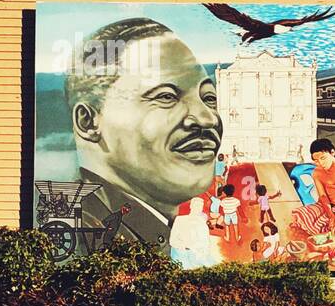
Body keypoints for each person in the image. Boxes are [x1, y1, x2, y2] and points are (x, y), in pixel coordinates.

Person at [66, 18, 223, 248]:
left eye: (208, 98)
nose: (207, 118)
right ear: (89, 122)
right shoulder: (83, 236)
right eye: (166, 96)